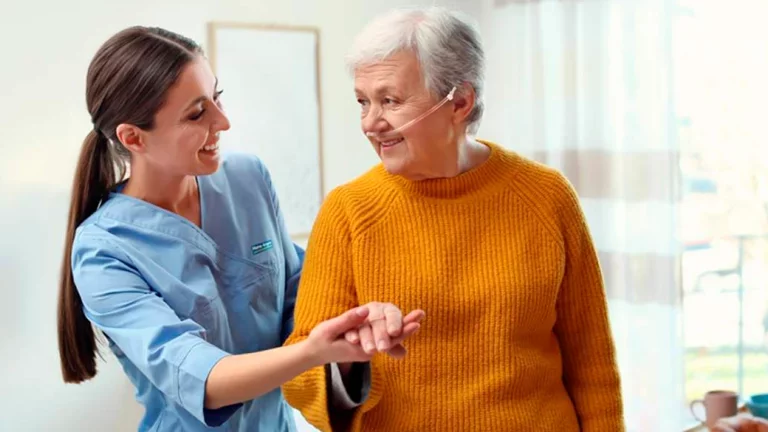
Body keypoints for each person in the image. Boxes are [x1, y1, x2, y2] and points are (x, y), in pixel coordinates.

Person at [56, 26, 423, 431]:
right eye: (197, 114)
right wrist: (313, 351)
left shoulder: (248, 179)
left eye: (217, 97)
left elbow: (299, 299)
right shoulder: (104, 250)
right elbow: (203, 381)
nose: (223, 121)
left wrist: (351, 326)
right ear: (133, 138)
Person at [282, 7, 624, 432]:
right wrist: (348, 359)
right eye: (363, 102)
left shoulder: (547, 196)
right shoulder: (347, 210)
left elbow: (592, 363)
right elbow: (301, 376)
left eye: (390, 101)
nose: (370, 123)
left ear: (460, 102)